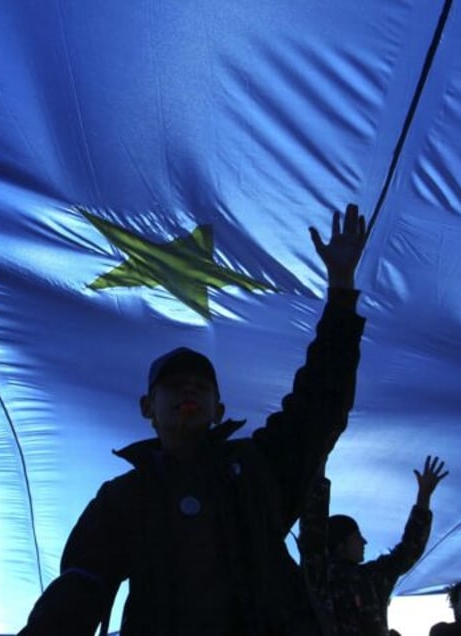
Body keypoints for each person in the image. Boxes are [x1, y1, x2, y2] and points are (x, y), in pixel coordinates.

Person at [19, 204, 368, 635]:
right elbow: (79, 587)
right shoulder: (124, 498)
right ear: (148, 408)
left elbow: (320, 403)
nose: (189, 390)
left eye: (201, 386)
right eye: (173, 385)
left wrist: (341, 292)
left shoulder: (260, 468)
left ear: (219, 410)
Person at [299, 455, 448, 635]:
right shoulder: (321, 574)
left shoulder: (372, 577)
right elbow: (313, 526)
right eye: (357, 536)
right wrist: (319, 462)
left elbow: (408, 550)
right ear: (340, 544)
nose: (364, 542)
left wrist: (424, 497)